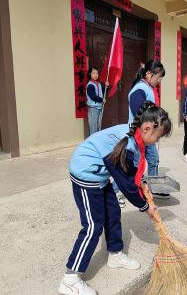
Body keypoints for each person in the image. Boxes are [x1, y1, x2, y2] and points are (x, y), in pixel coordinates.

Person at [58, 102, 172, 295]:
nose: (157, 141)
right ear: (146, 128)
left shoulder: (136, 137)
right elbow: (126, 184)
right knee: (93, 226)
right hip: (85, 174)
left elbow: (132, 172)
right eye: (158, 136)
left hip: (101, 176)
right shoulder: (126, 142)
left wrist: (143, 184)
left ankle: (115, 254)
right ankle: (70, 278)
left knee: (113, 212)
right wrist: (145, 206)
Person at [128, 60, 169, 199]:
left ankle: (154, 186)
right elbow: (139, 111)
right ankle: (118, 190)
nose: (159, 81)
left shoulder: (148, 88)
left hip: (149, 134)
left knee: (153, 158)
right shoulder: (139, 89)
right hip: (139, 134)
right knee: (134, 163)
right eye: (158, 78)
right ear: (149, 74)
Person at [86, 67, 109, 135]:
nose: (95, 75)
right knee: (93, 128)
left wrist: (106, 87)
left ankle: (96, 143)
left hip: (99, 108)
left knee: (98, 127)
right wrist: (102, 100)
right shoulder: (90, 85)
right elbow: (93, 96)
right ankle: (92, 144)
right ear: (90, 74)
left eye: (97, 73)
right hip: (93, 108)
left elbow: (101, 93)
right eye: (93, 73)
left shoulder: (98, 84)